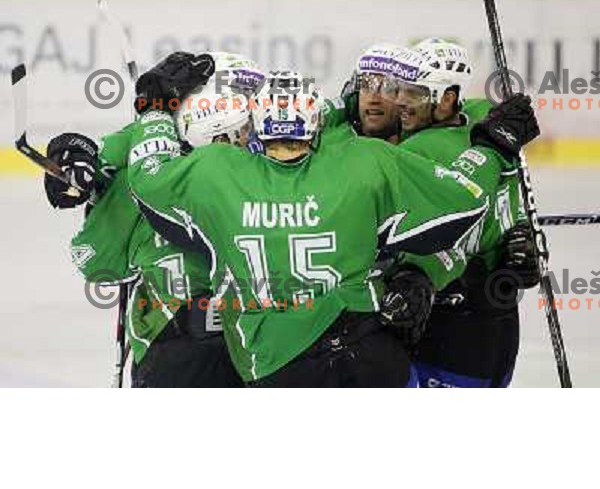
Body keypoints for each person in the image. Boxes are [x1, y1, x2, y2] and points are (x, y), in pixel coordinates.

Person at [125, 51, 498, 387]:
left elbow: (146, 175)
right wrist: (494, 148)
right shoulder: (363, 159)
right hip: (371, 350)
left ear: (255, 121)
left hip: (279, 362)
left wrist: (155, 108)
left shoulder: (216, 170)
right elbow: (466, 202)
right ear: (316, 118)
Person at [44, 52, 264, 387]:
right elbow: (97, 154)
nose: (256, 108)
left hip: (258, 341)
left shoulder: (277, 152)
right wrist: (73, 159)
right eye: (244, 94)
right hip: (178, 343)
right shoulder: (154, 145)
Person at [344, 38, 540, 387]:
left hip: (454, 323)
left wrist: (519, 237)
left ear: (448, 98)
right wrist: (521, 236)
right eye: (400, 90)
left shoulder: (421, 147)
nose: (402, 101)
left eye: (416, 94)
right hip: (485, 318)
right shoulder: (489, 126)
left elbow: (462, 216)